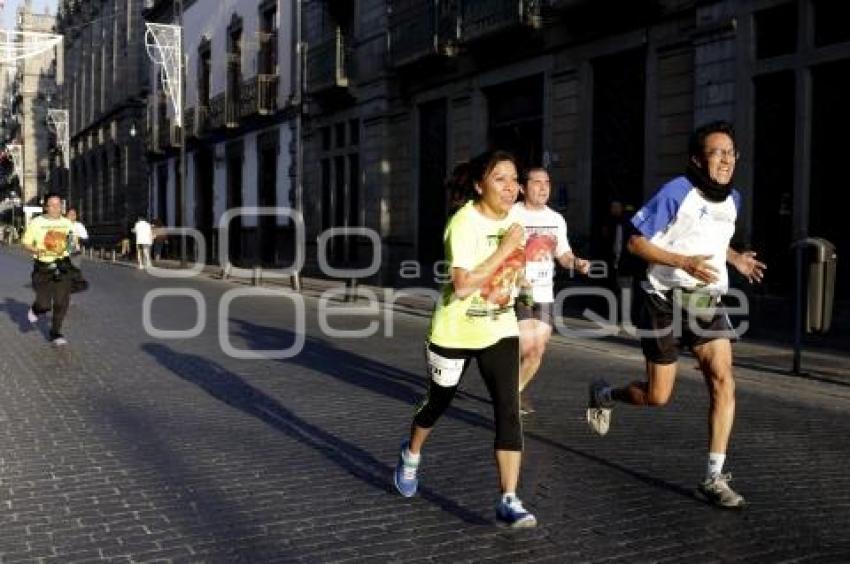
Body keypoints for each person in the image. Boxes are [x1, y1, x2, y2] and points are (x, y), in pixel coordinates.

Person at [585, 121, 766, 509]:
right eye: (716, 153)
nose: (725, 160)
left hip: (704, 300)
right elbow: (635, 242)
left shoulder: (733, 198)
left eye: (730, 153)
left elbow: (714, 241)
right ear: (697, 159)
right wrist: (682, 261)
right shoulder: (676, 192)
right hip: (662, 298)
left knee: (723, 380)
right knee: (657, 395)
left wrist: (735, 258)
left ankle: (713, 478)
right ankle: (606, 393)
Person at [393, 150, 536, 527]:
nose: (511, 187)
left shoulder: (517, 219)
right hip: (454, 330)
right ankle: (411, 454)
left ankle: (509, 498)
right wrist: (505, 249)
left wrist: (519, 282)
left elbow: (509, 272)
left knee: (508, 409)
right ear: (479, 185)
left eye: (514, 179)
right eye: (500, 179)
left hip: (499, 328)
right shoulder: (464, 222)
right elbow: (461, 286)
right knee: (437, 403)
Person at [512, 168, 589, 415]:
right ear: (523, 188)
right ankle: (508, 396)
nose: (544, 187)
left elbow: (563, 255)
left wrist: (576, 263)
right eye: (537, 182)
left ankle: (513, 393)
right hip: (517, 291)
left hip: (545, 292)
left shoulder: (556, 219)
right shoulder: (511, 215)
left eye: (547, 182)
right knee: (526, 347)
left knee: (538, 350)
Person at [21, 193, 76, 346]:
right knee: (44, 304)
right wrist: (37, 250)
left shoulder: (67, 223)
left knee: (61, 302)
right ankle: (36, 309)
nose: (56, 208)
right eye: (52, 205)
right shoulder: (36, 222)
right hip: (43, 267)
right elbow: (25, 243)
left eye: (59, 205)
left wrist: (69, 248)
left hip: (62, 265)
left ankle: (55, 332)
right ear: (45, 207)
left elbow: (72, 243)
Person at [65, 208, 90, 294]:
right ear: (66, 215)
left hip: (75, 254)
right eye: (70, 214)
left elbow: (86, 239)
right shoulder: (61, 225)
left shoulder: (79, 226)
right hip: (63, 254)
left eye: (74, 214)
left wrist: (78, 238)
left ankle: (68, 295)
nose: (72, 216)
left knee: (73, 274)